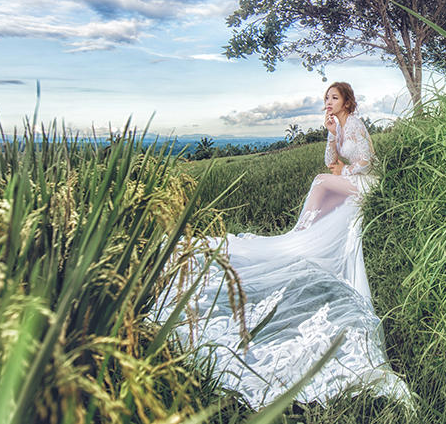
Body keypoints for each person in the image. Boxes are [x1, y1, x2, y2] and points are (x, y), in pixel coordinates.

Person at [156, 82, 411, 409]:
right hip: (351, 180)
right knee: (323, 180)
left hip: (366, 182)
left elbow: (365, 160)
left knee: (321, 181)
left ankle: (299, 232)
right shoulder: (339, 126)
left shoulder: (357, 124)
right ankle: (304, 231)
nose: (328, 103)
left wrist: (342, 170)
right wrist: (331, 133)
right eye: (326, 99)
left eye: (333, 98)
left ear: (347, 100)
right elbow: (330, 158)